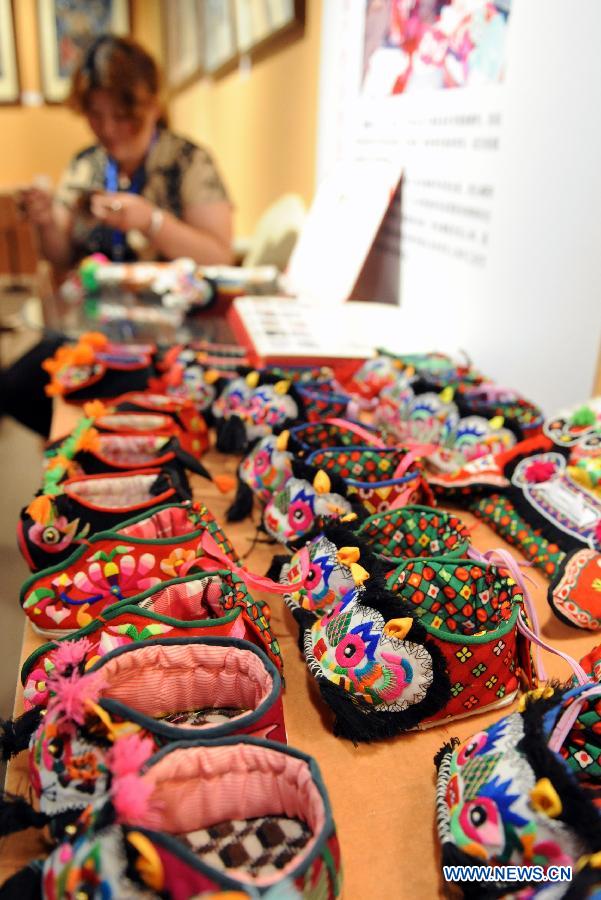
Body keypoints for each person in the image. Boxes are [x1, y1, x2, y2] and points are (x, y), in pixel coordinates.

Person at [20, 34, 233, 268]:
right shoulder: (84, 164)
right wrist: (46, 221)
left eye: (121, 116)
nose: (107, 129)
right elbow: (59, 257)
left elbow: (219, 257)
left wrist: (151, 222)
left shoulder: (189, 161)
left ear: (152, 107)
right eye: (95, 115)